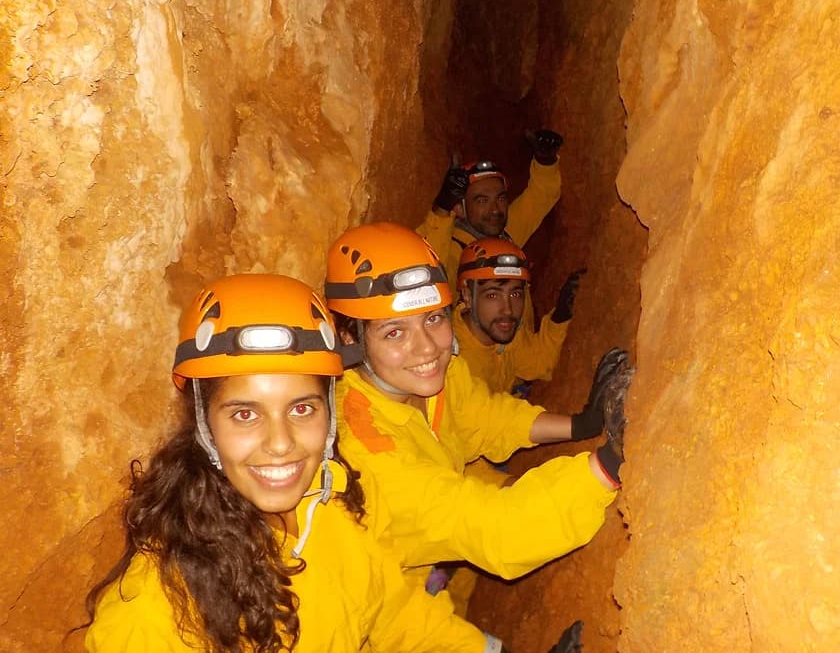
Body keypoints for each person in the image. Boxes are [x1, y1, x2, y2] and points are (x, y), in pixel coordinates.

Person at [80, 274, 508, 652]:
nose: (281, 444)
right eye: (245, 414)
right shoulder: (155, 612)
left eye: (302, 409)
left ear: (330, 412)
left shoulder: (334, 507)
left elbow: (395, 614)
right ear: (204, 423)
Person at [323, 223, 633, 599]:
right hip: (391, 610)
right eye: (394, 332)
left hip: (442, 562)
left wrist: (581, 424)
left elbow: (488, 418)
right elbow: (496, 531)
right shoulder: (364, 450)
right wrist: (607, 464)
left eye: (433, 319)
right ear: (350, 338)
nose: (426, 349)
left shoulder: (439, 375)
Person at [416, 129, 565, 294]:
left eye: (500, 198)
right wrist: (443, 207)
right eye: (482, 201)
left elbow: (540, 198)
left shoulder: (504, 234)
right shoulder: (456, 251)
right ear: (459, 208)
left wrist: (545, 162)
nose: (495, 210)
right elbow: (429, 270)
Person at [454, 237, 586, 395]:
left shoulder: (500, 331)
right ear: (468, 296)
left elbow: (536, 362)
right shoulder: (455, 365)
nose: (508, 310)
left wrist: (560, 316)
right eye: (493, 295)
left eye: (515, 294)